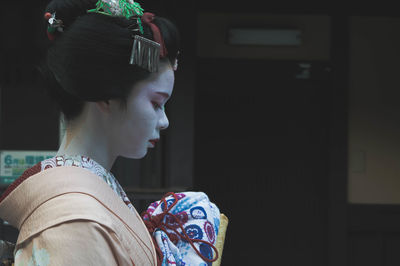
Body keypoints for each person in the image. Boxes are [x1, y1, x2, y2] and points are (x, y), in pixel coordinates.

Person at [0, 0, 220, 265]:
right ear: (107, 96)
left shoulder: (88, 197)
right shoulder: (75, 220)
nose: (164, 121)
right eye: (155, 103)